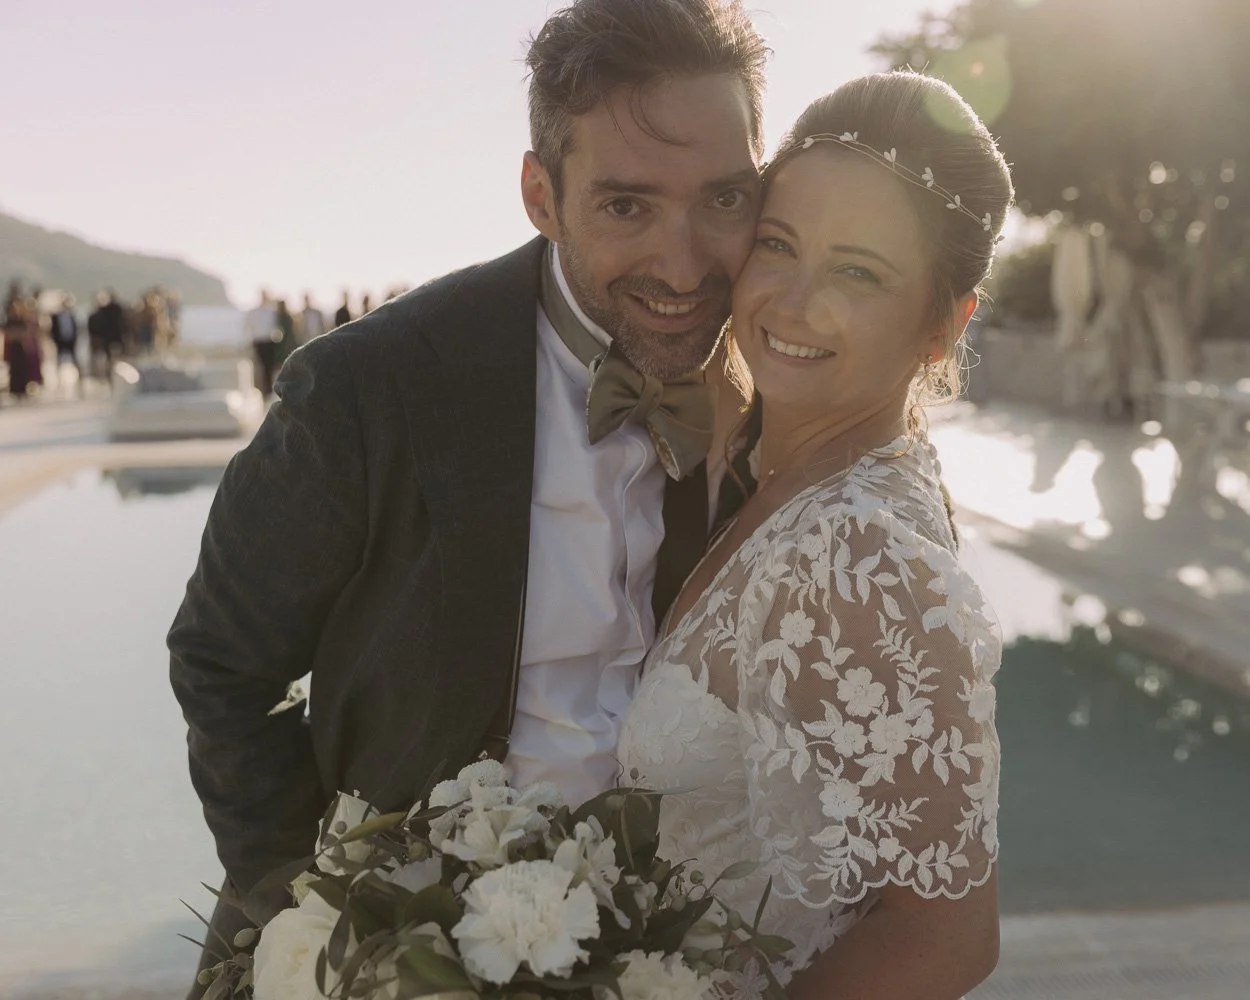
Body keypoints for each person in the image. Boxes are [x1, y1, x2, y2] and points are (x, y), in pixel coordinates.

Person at [168, 1, 768, 995]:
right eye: (625, 205)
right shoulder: (365, 389)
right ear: (540, 193)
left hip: (660, 949)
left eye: (723, 199)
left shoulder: (772, 387)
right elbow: (222, 663)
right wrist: (317, 914)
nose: (684, 263)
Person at [617, 71, 1011, 999]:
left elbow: (944, 940)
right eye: (779, 246)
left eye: (859, 272)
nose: (793, 303)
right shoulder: (790, 472)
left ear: (940, 326)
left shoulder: (856, 552)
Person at [242, 289, 279, 396]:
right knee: (260, 367)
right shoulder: (255, 312)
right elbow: (247, 326)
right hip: (258, 342)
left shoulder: (271, 311)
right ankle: (261, 390)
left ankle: (268, 390)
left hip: (269, 342)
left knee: (269, 367)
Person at [50, 293, 81, 391]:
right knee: (59, 361)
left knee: (75, 360)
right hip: (60, 340)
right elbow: (53, 329)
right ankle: (58, 381)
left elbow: (75, 328)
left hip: (70, 340)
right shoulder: (56, 316)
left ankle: (80, 381)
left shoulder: (71, 315)